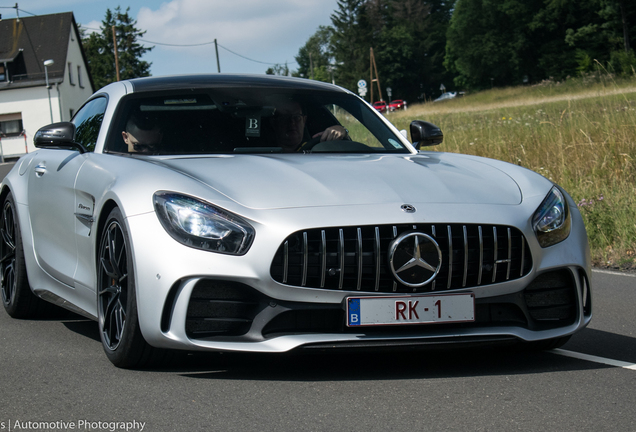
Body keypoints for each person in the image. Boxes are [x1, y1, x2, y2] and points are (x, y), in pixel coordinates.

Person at [271, 99, 347, 152]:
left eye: (297, 117)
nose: (292, 122)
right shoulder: (262, 152)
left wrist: (341, 131)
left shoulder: (321, 150)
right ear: (274, 123)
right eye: (285, 118)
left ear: (304, 120)